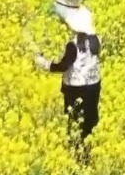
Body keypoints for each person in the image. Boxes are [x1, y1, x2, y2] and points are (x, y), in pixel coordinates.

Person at [33, 14, 101, 163]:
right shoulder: (96, 40)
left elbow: (63, 66)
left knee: (75, 124)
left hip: (76, 91)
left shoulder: (73, 45)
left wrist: (43, 62)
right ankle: (89, 158)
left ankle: (77, 160)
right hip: (93, 89)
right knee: (89, 123)